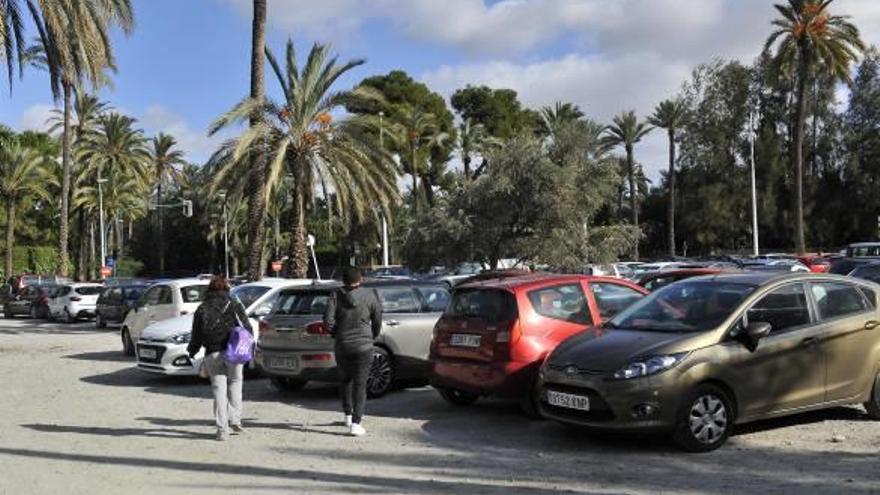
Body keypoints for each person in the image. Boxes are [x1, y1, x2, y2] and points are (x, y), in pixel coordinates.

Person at [187, 276, 252, 441]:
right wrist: (249, 345)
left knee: (219, 391)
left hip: (213, 353)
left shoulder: (202, 308)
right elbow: (247, 327)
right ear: (227, 289)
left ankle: (222, 430)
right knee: (236, 384)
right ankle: (235, 420)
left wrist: (192, 351)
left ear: (210, 290)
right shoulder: (234, 305)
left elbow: (197, 334)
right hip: (234, 352)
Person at [324, 266, 382, 437]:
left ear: (343, 281)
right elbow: (377, 317)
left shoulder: (335, 295)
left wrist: (337, 333)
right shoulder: (370, 295)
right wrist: (373, 335)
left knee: (345, 380)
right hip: (364, 345)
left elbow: (328, 321)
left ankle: (348, 416)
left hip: (342, 345)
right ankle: (357, 424)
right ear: (361, 279)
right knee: (360, 383)